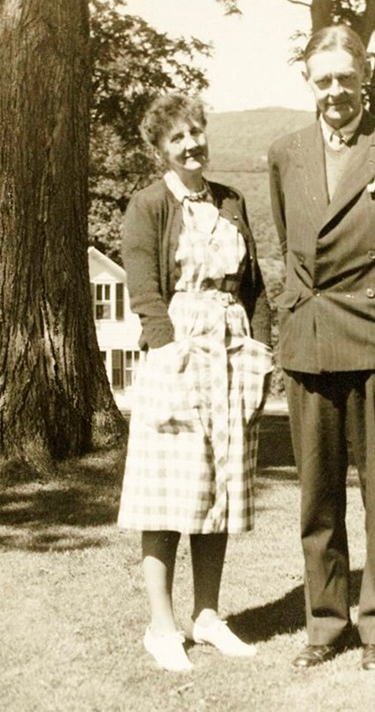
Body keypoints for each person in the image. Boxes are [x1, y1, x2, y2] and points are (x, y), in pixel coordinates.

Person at [268, 25, 375, 671]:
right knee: (317, 494)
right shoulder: (285, 151)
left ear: (364, 74)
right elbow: (291, 238)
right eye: (324, 79)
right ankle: (324, 624)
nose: (336, 91)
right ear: (308, 83)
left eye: (346, 77)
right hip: (310, 338)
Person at [118, 92, 272, 672]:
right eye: (178, 138)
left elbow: (252, 283)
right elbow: (145, 292)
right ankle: (161, 628)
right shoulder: (149, 205)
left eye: (197, 132)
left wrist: (260, 346)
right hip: (177, 350)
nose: (192, 145)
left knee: (219, 489)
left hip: (231, 351)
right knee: (168, 494)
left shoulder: (231, 202)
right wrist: (169, 353)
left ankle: (207, 617)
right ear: (160, 148)